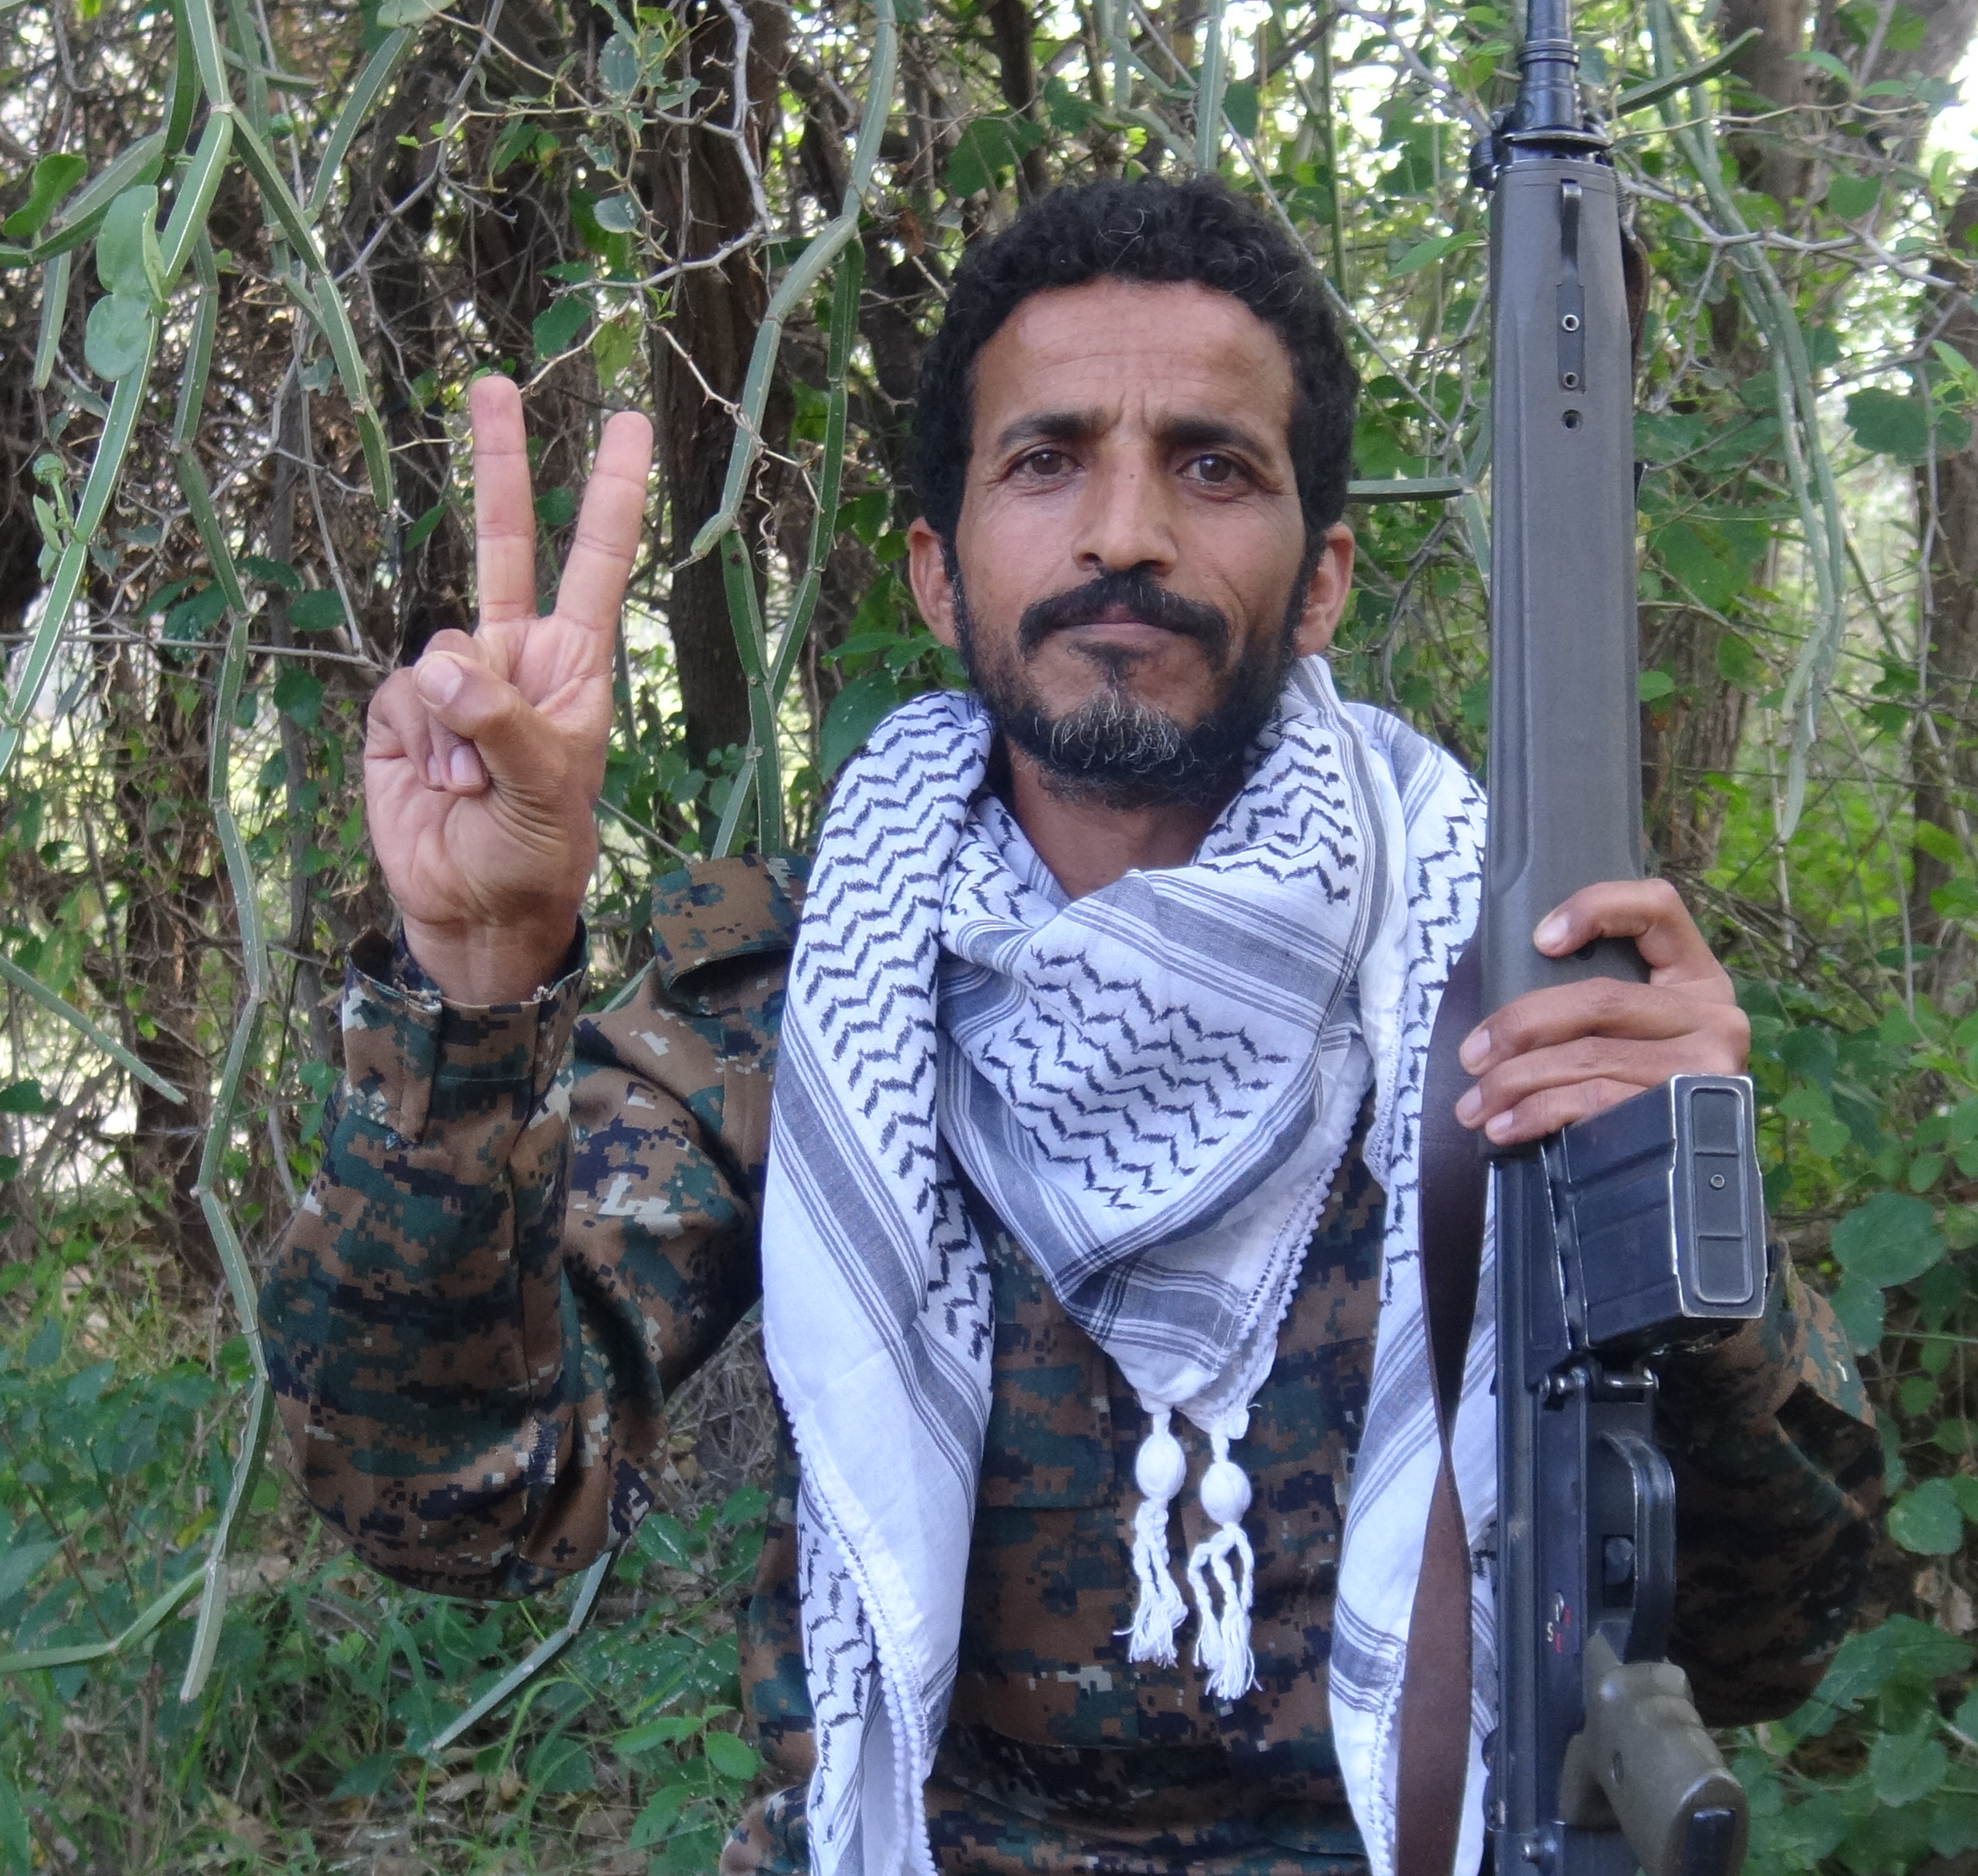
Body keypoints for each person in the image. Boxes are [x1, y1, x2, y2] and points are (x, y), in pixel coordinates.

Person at [262, 178, 1878, 1876]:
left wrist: (1668, 1194)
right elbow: (462, 1501)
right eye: (1044, 462)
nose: (1124, 534)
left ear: (1321, 582)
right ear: (936, 571)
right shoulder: (800, 987)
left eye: (1212, 466)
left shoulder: (1508, 984)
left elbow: (1773, 1637)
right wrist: (475, 979)